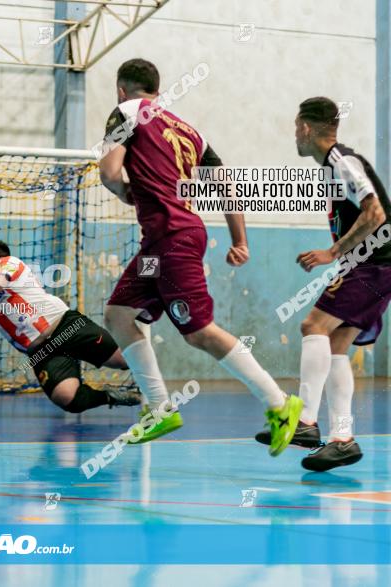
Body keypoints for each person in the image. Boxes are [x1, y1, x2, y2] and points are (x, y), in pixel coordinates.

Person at [98, 58, 301, 455]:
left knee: (199, 332)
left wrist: (124, 191)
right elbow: (226, 186)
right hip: (164, 242)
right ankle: (158, 409)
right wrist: (239, 240)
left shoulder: (126, 112)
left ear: (123, 89)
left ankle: (279, 403)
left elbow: (108, 171)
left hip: (172, 238)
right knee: (119, 314)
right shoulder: (192, 133)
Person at [254, 97, 391, 471]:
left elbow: (375, 213)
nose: (294, 135)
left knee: (312, 325)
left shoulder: (341, 161)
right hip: (372, 265)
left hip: (373, 264)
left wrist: (334, 252)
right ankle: (343, 439)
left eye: (295, 127)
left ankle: (306, 424)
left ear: (306, 128)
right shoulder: (331, 167)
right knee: (335, 346)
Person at [0, 241, 141, 413]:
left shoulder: (10, 264)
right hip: (41, 352)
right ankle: (109, 396)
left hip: (66, 328)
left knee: (125, 360)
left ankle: (158, 398)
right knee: (68, 400)